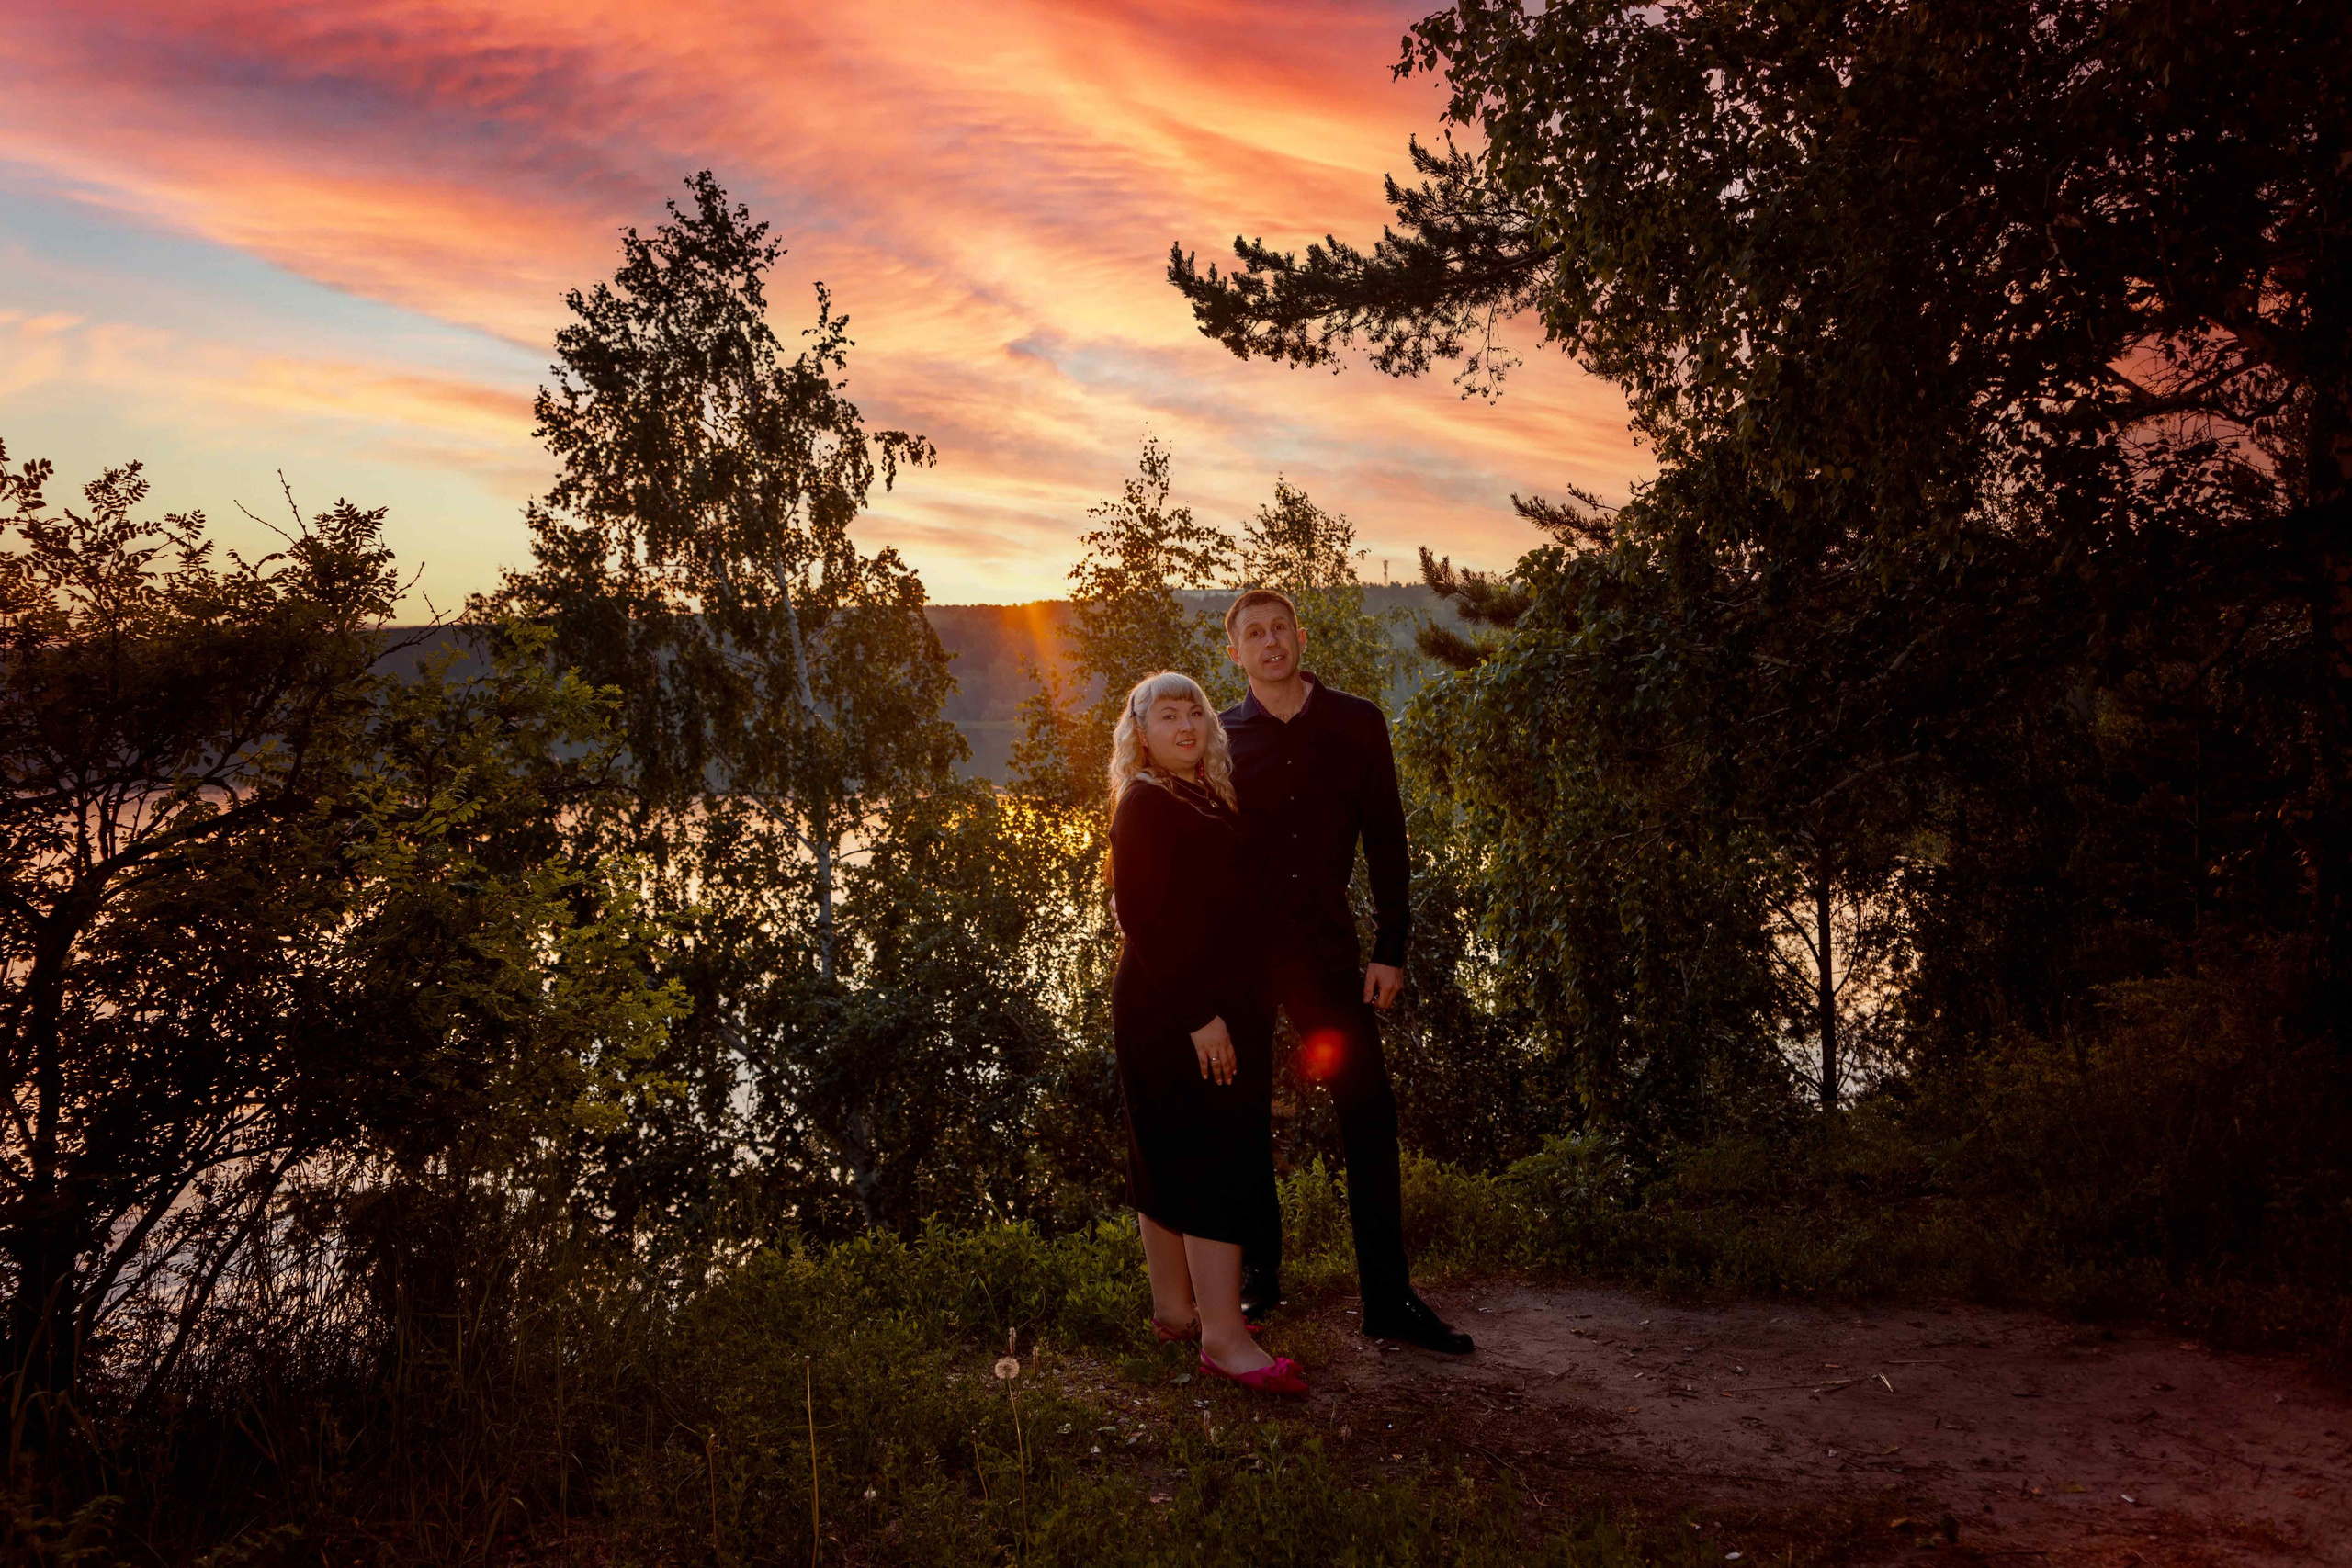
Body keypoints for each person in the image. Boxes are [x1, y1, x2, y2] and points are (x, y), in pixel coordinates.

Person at [1220, 590, 1474, 1355]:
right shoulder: (1221, 737)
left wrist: (1391, 946)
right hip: (1239, 956)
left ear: (1301, 636)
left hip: (1328, 954)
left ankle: (1388, 1299)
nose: (1269, 643)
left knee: (1368, 1112)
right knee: (1239, 1119)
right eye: (1252, 635)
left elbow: (1388, 838)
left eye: (1279, 629)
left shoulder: (1358, 722)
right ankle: (1258, 1283)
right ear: (1235, 654)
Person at [1107, 670, 1308, 1395]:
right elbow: (1143, 916)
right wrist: (1201, 1016)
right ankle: (1223, 1339)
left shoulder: (1196, 792)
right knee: (1214, 1154)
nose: (1187, 725)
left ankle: (1175, 1309)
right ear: (1142, 731)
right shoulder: (1147, 802)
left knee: (1165, 1148)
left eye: (1195, 711)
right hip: (1179, 1009)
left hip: (1189, 1004)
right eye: (1169, 715)